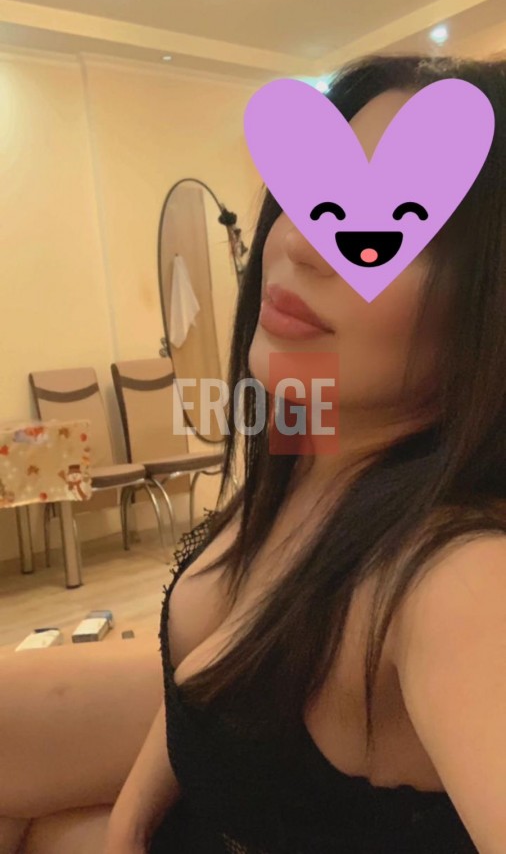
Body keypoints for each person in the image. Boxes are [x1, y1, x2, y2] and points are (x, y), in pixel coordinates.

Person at [4, 53, 506, 853]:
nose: (303, 242)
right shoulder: (308, 448)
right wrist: (131, 819)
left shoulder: (457, 583)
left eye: (401, 218)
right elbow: (214, 662)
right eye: (311, 195)